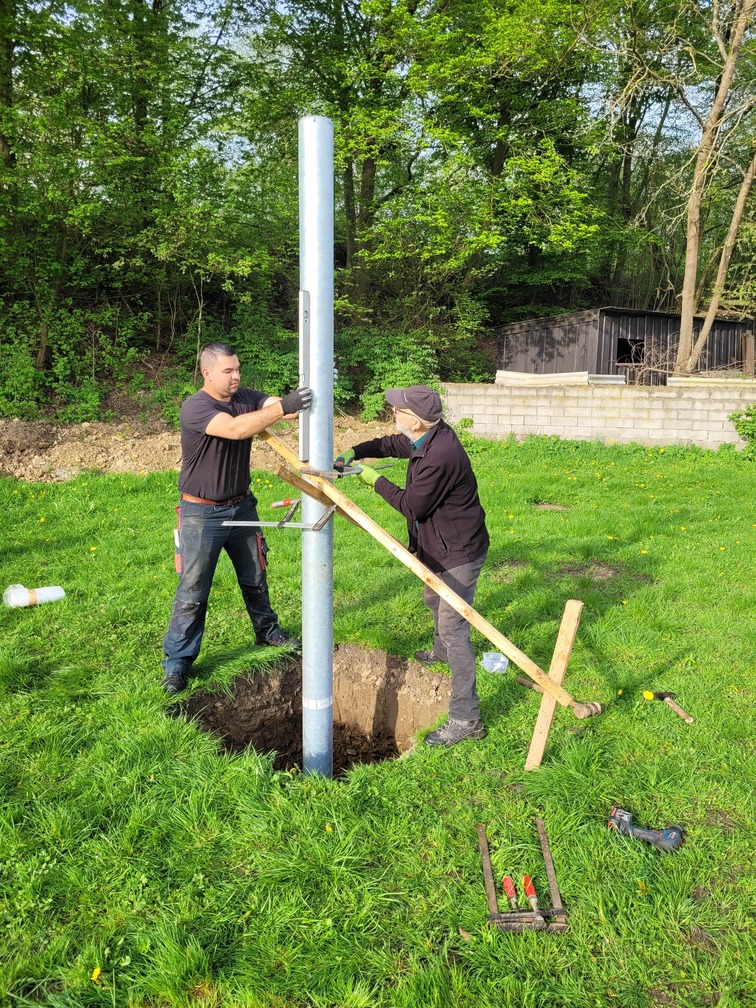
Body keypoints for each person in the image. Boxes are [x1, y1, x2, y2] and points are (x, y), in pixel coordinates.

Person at [334, 385, 490, 746]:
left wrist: (374, 480)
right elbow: (392, 444)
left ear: (416, 421)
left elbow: (412, 507)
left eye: (398, 410)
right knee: (433, 599)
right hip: (438, 545)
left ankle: (466, 719)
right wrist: (357, 450)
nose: (393, 412)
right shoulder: (428, 437)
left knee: (454, 628)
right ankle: (440, 653)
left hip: (459, 552)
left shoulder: (441, 456)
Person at [161, 341, 313, 694]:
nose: (236, 376)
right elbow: (235, 429)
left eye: (238, 368)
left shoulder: (245, 396)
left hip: (242, 505)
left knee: (255, 574)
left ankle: (267, 632)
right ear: (207, 373)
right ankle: (178, 662)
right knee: (193, 587)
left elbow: (285, 411)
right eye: (228, 370)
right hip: (202, 512)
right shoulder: (197, 407)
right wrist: (283, 406)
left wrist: (300, 398)